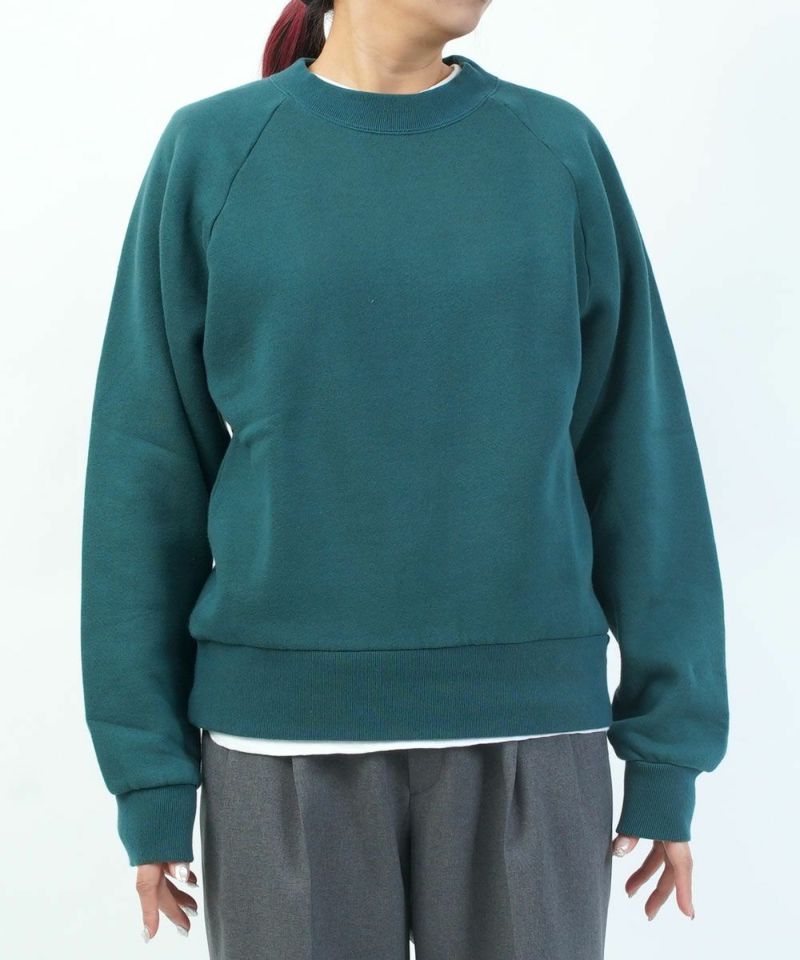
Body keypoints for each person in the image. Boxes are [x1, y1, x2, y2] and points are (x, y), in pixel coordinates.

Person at [79, 1, 730, 957]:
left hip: (531, 733)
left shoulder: (556, 152)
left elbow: (640, 450)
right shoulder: (214, 153)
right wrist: (150, 776)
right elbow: (145, 472)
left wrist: (669, 751)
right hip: (281, 741)